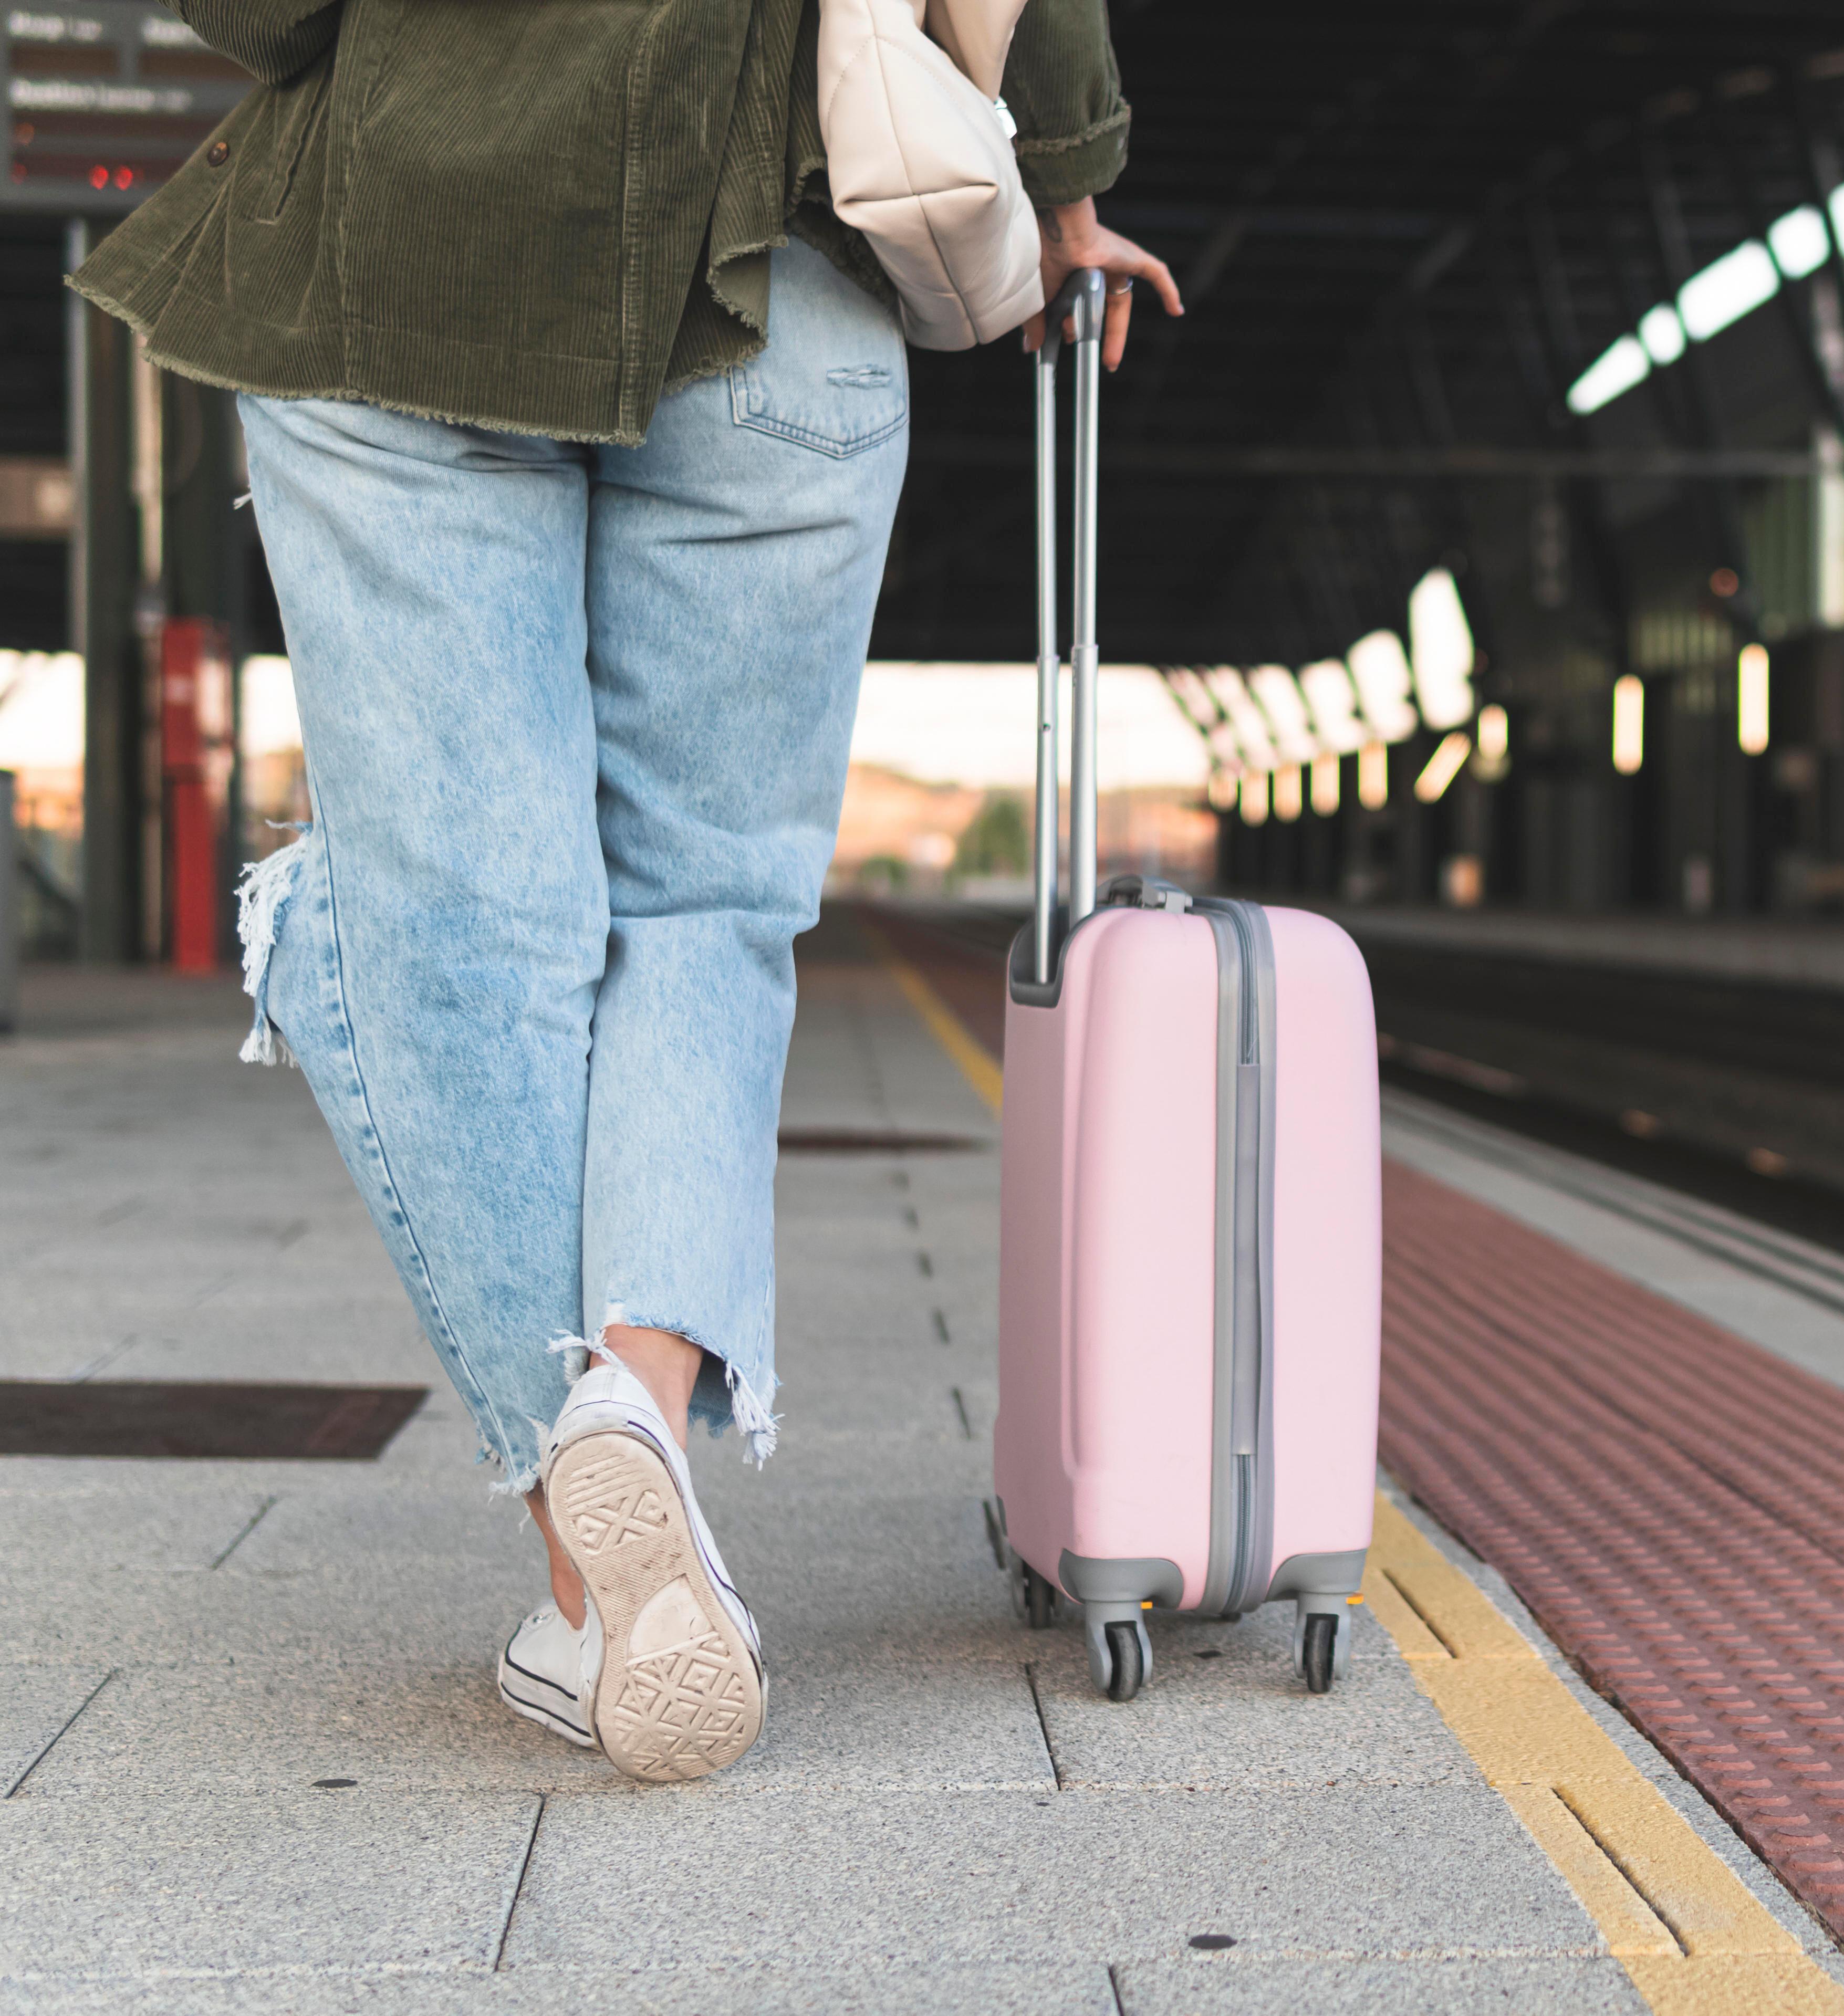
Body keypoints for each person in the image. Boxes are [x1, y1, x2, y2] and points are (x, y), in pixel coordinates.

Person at [73, 0, 1177, 1783]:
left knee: (458, 939)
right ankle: (636, 1408)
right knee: (707, 910)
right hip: (785, 290)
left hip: (402, 261)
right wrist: (1065, 196)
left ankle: (597, 1579)